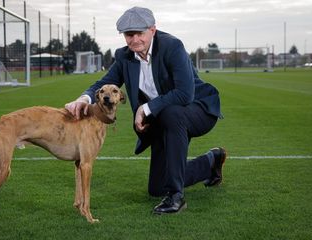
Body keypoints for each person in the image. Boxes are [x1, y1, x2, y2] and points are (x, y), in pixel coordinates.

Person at [65, 6, 226, 214]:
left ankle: (176, 197)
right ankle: (210, 162)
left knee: (171, 113)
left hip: (198, 109)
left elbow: (186, 94)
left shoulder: (172, 46)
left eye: (139, 33)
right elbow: (105, 82)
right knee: (157, 187)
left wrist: (146, 108)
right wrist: (83, 98)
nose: (134, 40)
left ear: (153, 30)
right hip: (162, 119)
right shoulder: (124, 56)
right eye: (128, 35)